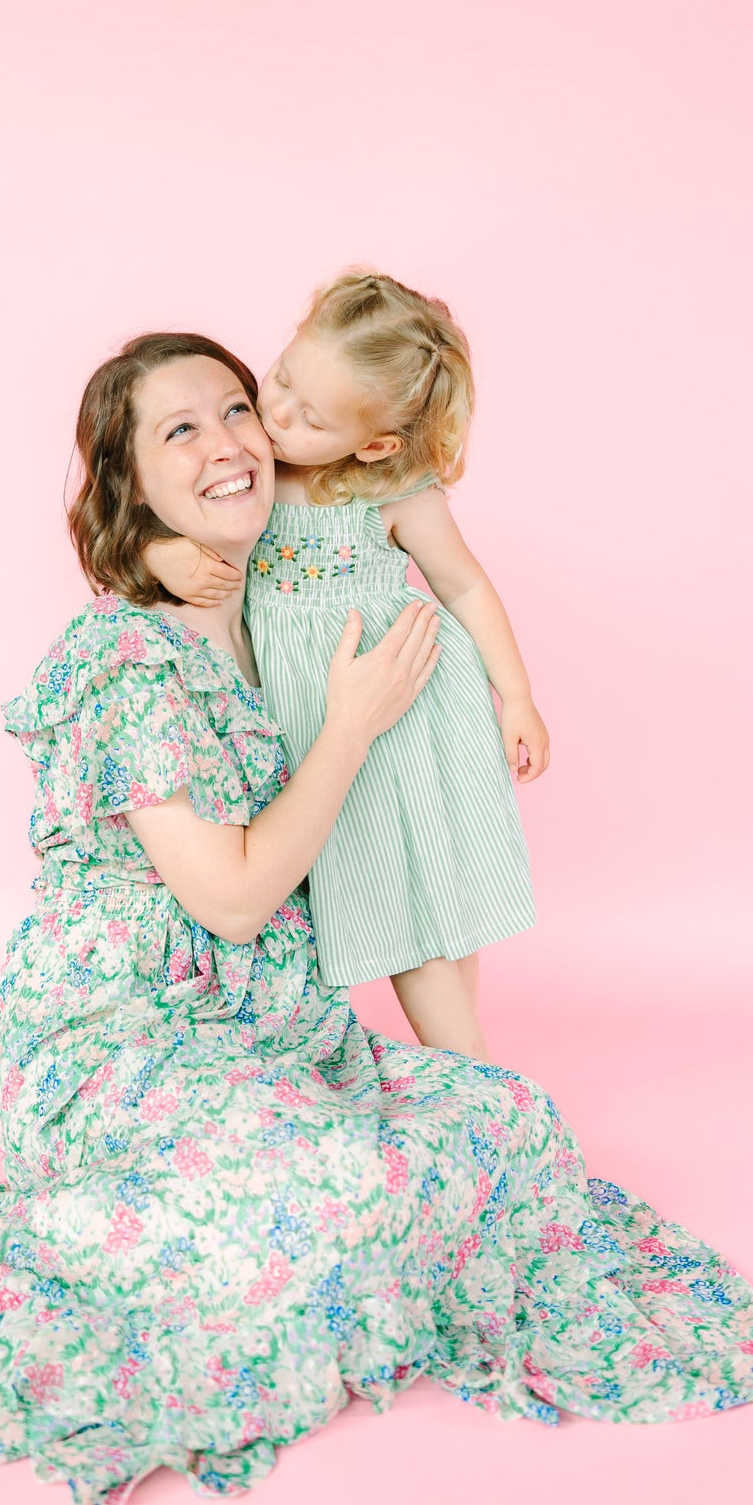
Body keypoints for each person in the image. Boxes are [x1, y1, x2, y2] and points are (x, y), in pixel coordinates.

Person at [0, 332, 753, 1505]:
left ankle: (340, 1202)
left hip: (275, 1030)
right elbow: (238, 897)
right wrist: (349, 726)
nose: (229, 443)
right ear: (129, 482)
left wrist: (490, 692)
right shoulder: (123, 665)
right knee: (326, 1185)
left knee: (500, 1115)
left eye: (238, 409)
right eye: (178, 432)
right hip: (121, 1038)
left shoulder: (283, 593)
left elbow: (374, 464)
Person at [144, 270, 545, 1058]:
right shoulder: (248, 474)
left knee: (427, 895)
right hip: (318, 722)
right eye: (281, 378)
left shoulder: (389, 493)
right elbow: (161, 515)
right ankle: (467, 1071)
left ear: (374, 444)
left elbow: (463, 583)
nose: (274, 413)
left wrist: (518, 694)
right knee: (391, 898)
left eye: (310, 415)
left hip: (404, 709)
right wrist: (165, 555)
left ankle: (470, 1073)